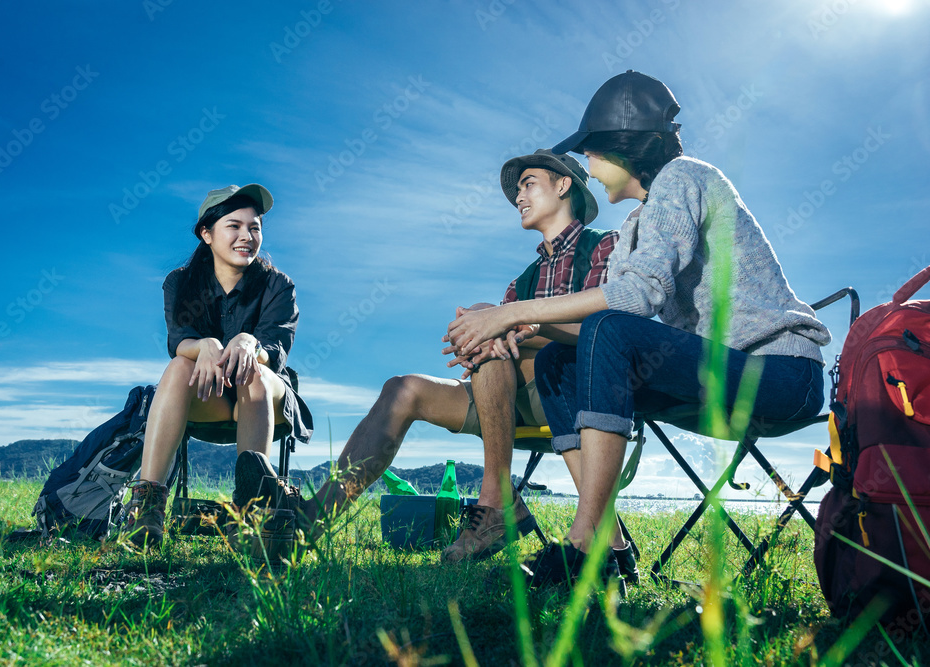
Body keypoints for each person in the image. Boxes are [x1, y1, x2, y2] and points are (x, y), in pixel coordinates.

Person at [445, 71, 831, 586]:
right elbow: (615, 320)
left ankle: (583, 545)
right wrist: (523, 328)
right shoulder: (634, 226)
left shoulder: (684, 177)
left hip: (778, 375)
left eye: (591, 153)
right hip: (710, 378)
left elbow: (635, 299)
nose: (587, 166)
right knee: (562, 359)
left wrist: (513, 312)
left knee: (609, 327)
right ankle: (609, 545)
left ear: (621, 146)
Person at [298, 150, 619, 565]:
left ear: (563, 185)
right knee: (402, 389)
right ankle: (314, 516)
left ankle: (498, 500)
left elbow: (606, 333)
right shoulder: (523, 279)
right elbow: (501, 337)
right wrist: (481, 335)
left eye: (529, 184)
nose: (518, 197)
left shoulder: (604, 248)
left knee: (489, 324)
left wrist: (509, 325)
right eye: (517, 189)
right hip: (504, 395)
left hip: (567, 389)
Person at [123, 184, 313, 548]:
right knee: (180, 366)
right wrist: (205, 345)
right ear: (206, 234)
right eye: (234, 226)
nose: (247, 236)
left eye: (254, 227)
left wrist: (247, 341)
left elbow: (276, 349)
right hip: (209, 400)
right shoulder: (180, 282)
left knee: (254, 373)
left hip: (262, 400)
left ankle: (252, 511)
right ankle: (146, 509)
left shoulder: (278, 285)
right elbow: (178, 340)